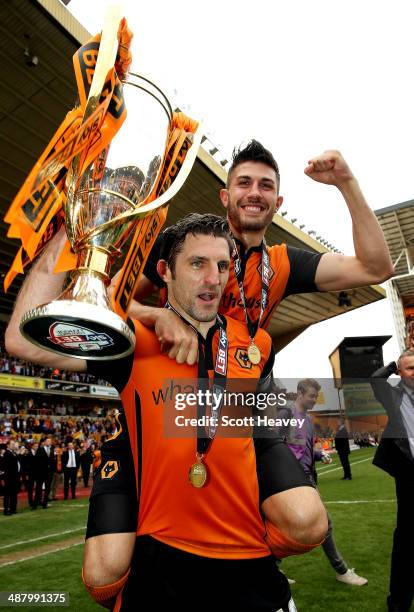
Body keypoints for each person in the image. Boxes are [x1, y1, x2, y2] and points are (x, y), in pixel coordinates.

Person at [6, 215, 328, 611]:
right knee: (103, 574)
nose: (213, 278)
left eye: (223, 266)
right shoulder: (131, 339)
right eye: (197, 264)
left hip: (250, 566)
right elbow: (20, 341)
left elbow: (255, 427)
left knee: (311, 522)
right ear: (165, 271)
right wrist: (67, 233)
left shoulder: (255, 343)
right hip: (162, 568)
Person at [122, 141, 394, 366]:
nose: (255, 193)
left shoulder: (283, 264)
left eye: (265, 185)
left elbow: (375, 269)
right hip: (172, 387)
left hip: (237, 399)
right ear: (225, 197)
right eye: (244, 183)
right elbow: (111, 299)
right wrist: (159, 316)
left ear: (277, 203)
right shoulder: (180, 243)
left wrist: (346, 182)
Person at [279, 378, 368, 586]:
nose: (314, 400)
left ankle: (271, 569)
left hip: (307, 478)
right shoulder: (285, 415)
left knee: (284, 527)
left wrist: (320, 454)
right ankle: (341, 570)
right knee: (325, 524)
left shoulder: (308, 420)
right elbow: (278, 447)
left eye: (315, 396)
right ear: (300, 393)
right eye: (311, 396)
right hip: (293, 480)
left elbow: (303, 448)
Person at [370, 349, 414, 612]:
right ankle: (398, 603)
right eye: (410, 369)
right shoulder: (394, 395)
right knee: (407, 544)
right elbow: (376, 379)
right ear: (400, 373)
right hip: (410, 477)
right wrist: (392, 366)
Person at [32, 437, 55, 509]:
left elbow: (52, 461)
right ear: (44, 442)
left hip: (49, 473)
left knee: (47, 489)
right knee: (38, 489)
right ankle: (35, 504)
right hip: (41, 473)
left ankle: (45, 503)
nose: (49, 442)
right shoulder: (40, 449)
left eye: (50, 441)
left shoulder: (51, 450)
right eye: (48, 441)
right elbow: (36, 461)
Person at [1, 439, 20, 515]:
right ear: (8, 445)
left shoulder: (12, 453)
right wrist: (19, 454)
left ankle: (13, 509)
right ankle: (6, 510)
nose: (14, 445)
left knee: (14, 494)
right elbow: (8, 466)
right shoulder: (7, 453)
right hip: (9, 477)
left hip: (14, 477)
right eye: (12, 444)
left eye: (14, 444)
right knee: (7, 495)